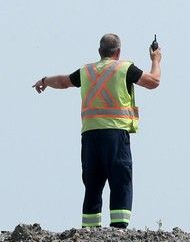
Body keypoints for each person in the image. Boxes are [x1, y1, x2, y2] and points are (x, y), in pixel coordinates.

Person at [33, 33, 162, 228]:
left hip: (90, 135)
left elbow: (63, 81)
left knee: (92, 183)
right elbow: (153, 81)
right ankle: (118, 229)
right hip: (115, 133)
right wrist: (156, 60)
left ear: (99, 52)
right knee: (120, 180)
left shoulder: (87, 71)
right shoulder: (124, 68)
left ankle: (89, 230)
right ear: (118, 52)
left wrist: (44, 80)